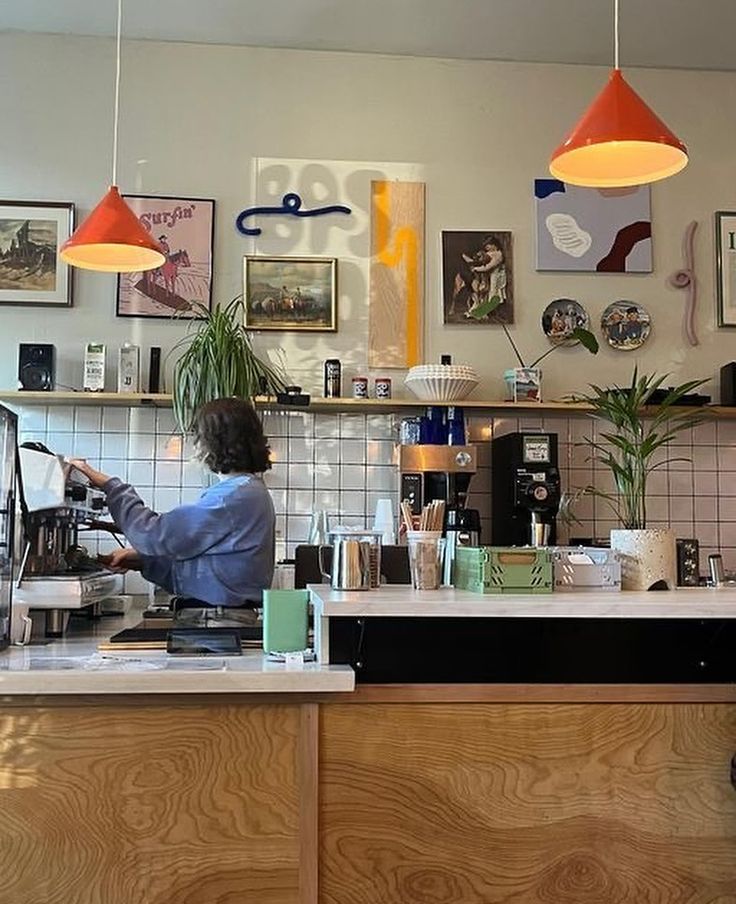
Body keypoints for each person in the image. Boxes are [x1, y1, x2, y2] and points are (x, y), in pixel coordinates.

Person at [70, 398, 275, 609]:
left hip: (217, 622)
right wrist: (144, 561)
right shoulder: (247, 490)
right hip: (222, 618)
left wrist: (110, 486)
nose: (195, 444)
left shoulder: (232, 496)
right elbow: (206, 564)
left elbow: (153, 534)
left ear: (214, 443)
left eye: (199, 437)